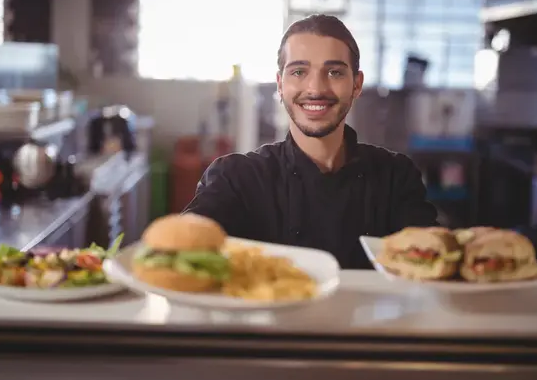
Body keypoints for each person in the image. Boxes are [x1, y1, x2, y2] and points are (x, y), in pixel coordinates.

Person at [184, 14, 438, 269]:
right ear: (280, 84)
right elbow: (183, 251)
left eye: (335, 72)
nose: (316, 88)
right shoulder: (236, 178)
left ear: (356, 85)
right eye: (299, 72)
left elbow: (433, 264)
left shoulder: (396, 177)